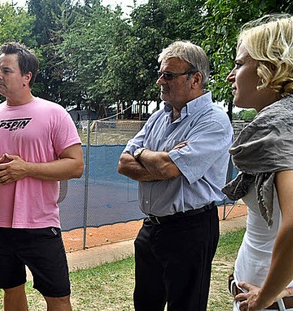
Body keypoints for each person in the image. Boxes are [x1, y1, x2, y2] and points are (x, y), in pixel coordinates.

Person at [0, 42, 84, 311]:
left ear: (26, 77)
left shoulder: (54, 113)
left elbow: (76, 166)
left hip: (39, 224)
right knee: (11, 291)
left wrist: (26, 168)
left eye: (6, 70)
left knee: (58, 297)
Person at [117, 40, 233, 311]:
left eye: (168, 75)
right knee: (145, 304)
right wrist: (161, 159)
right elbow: (123, 163)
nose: (160, 81)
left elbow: (168, 168)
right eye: (161, 73)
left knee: (186, 305)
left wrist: (143, 154)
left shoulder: (213, 120)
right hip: (152, 228)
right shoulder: (159, 117)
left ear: (196, 79)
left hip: (190, 229)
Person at [223, 14, 293, 311]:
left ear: (270, 69)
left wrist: (265, 297)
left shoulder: (279, 126)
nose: (230, 75)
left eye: (239, 64)